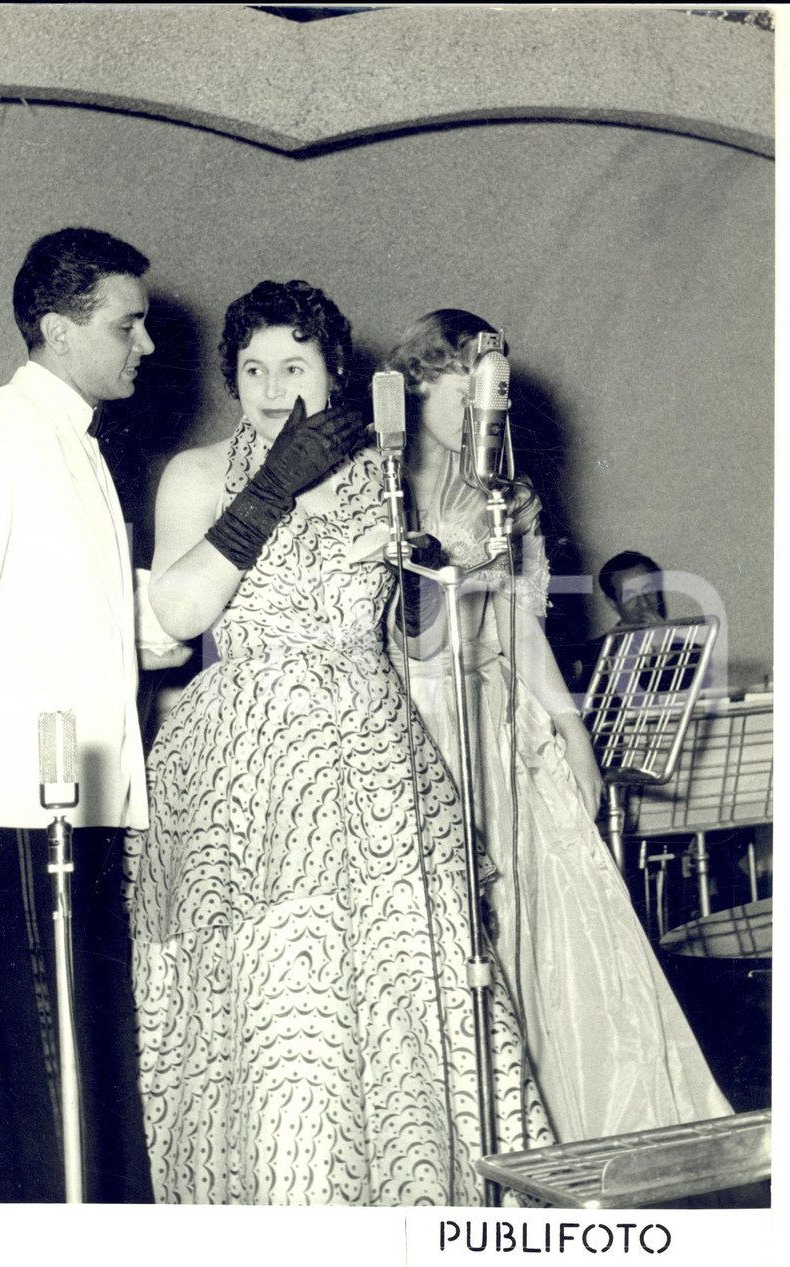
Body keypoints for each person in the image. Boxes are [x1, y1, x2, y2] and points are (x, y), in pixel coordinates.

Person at [123, 280, 555, 1207]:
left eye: (294, 366)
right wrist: (274, 481)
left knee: (404, 999)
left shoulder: (384, 478)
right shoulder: (196, 474)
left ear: (336, 372)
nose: (272, 387)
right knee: (287, 1004)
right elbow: (178, 612)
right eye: (251, 368)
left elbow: (421, 640)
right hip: (248, 767)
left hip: (374, 756)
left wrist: (467, 555)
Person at [384, 309, 731, 1143]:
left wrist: (571, 733)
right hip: (404, 728)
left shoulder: (506, 496)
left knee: (552, 941)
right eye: (465, 382)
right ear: (421, 380)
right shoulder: (373, 484)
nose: (482, 405)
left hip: (495, 729)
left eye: (492, 389)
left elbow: (514, 633)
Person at [0, 227, 159, 1203]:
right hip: (5, 808)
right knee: (55, 1068)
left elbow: (85, 627)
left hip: (63, 802)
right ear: (58, 326)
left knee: (19, 1064)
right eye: (126, 325)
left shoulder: (76, 445)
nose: (145, 344)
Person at [567, 550, 668, 695]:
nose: (644, 603)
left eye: (649, 590)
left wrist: (665, 650)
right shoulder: (589, 656)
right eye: (631, 595)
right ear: (613, 603)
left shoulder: (691, 650)